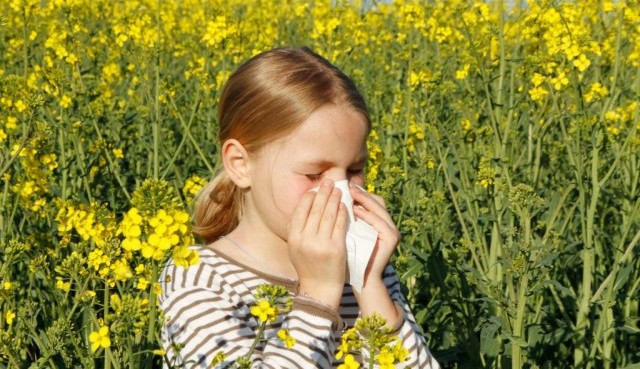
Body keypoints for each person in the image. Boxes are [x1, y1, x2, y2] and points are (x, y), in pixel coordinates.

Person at [159, 46, 439, 368]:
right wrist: (317, 296)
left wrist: (371, 286)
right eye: (314, 174)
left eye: (353, 170)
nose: (341, 193)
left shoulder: (363, 266)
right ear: (241, 164)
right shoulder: (199, 277)